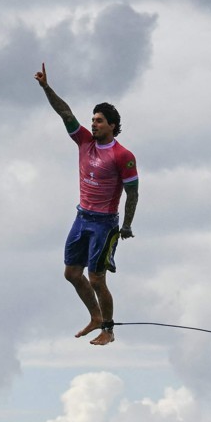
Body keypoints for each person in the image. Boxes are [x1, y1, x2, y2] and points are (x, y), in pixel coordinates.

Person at [35, 62, 138, 346]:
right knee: (71, 273)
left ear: (112, 126)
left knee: (96, 278)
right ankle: (94, 316)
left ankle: (108, 329)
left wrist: (127, 225)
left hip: (104, 224)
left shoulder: (122, 155)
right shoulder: (84, 142)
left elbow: (133, 192)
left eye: (99, 121)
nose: (93, 124)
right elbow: (65, 112)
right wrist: (46, 87)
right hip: (82, 217)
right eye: (93, 120)